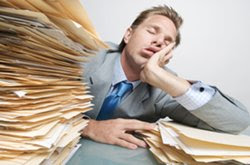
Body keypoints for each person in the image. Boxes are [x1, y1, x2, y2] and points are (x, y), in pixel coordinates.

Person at [81, 5, 250, 150]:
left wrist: (170, 82)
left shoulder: (163, 88)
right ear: (128, 35)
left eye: (168, 42)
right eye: (152, 31)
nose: (159, 41)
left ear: (168, 54)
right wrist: (89, 127)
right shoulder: (84, 56)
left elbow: (237, 122)